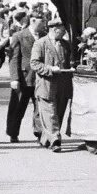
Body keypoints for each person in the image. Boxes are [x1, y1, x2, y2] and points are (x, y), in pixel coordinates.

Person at [30, 18, 73, 152]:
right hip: (46, 85)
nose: (64, 32)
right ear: (54, 29)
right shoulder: (40, 43)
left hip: (63, 85)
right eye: (63, 30)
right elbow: (34, 63)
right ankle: (55, 139)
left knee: (58, 113)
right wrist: (49, 69)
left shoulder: (66, 44)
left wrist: (71, 68)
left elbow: (69, 61)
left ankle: (46, 138)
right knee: (50, 113)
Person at [6, 13, 45, 143]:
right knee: (17, 107)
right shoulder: (19, 36)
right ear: (33, 21)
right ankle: (13, 132)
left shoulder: (45, 35)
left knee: (40, 107)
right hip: (23, 78)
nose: (44, 23)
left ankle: (40, 133)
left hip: (40, 78)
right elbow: (14, 58)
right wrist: (14, 79)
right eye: (42, 21)